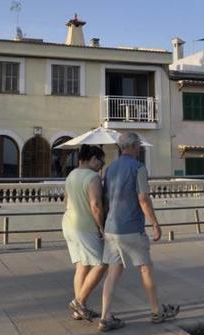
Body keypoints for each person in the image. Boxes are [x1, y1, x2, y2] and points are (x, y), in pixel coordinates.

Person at [98, 132, 179, 332]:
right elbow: (143, 198)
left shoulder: (110, 168)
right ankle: (156, 311)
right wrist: (155, 224)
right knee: (145, 268)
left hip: (111, 227)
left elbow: (106, 199)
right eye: (139, 146)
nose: (140, 149)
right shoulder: (138, 168)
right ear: (134, 146)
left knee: (113, 272)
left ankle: (105, 316)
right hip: (131, 227)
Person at [62, 144, 108, 321]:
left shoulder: (71, 175)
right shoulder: (92, 177)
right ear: (93, 159)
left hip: (69, 223)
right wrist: (102, 227)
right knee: (102, 263)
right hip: (85, 226)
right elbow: (96, 206)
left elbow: (65, 200)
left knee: (82, 265)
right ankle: (79, 302)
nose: (101, 166)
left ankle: (78, 310)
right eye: (100, 162)